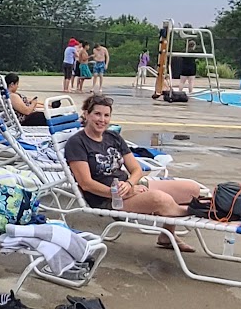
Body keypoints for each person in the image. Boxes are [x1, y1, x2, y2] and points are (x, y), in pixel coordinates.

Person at [63, 94, 207, 253]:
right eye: (97, 114)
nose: (102, 120)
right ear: (86, 114)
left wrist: (130, 184)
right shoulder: (77, 143)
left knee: (191, 189)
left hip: (129, 186)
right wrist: (122, 193)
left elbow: (136, 169)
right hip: (106, 198)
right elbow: (86, 184)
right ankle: (202, 211)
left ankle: (167, 235)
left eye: (106, 115)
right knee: (161, 200)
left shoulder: (112, 136)